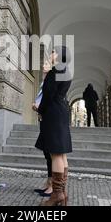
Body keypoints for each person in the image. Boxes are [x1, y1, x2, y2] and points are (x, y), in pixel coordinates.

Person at [35, 46, 73, 206]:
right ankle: (62, 194)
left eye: (52, 51)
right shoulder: (66, 71)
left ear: (58, 55)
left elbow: (48, 95)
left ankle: (57, 195)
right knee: (62, 155)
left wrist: (39, 108)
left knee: (56, 154)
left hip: (53, 114)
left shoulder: (56, 70)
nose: (50, 54)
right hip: (61, 112)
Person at [32, 60, 53, 197]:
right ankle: (48, 183)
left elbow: (49, 99)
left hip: (48, 118)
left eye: (46, 63)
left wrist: (38, 107)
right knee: (46, 153)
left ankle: (52, 186)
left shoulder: (51, 81)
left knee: (50, 153)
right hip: (43, 117)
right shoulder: (44, 81)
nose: (43, 65)